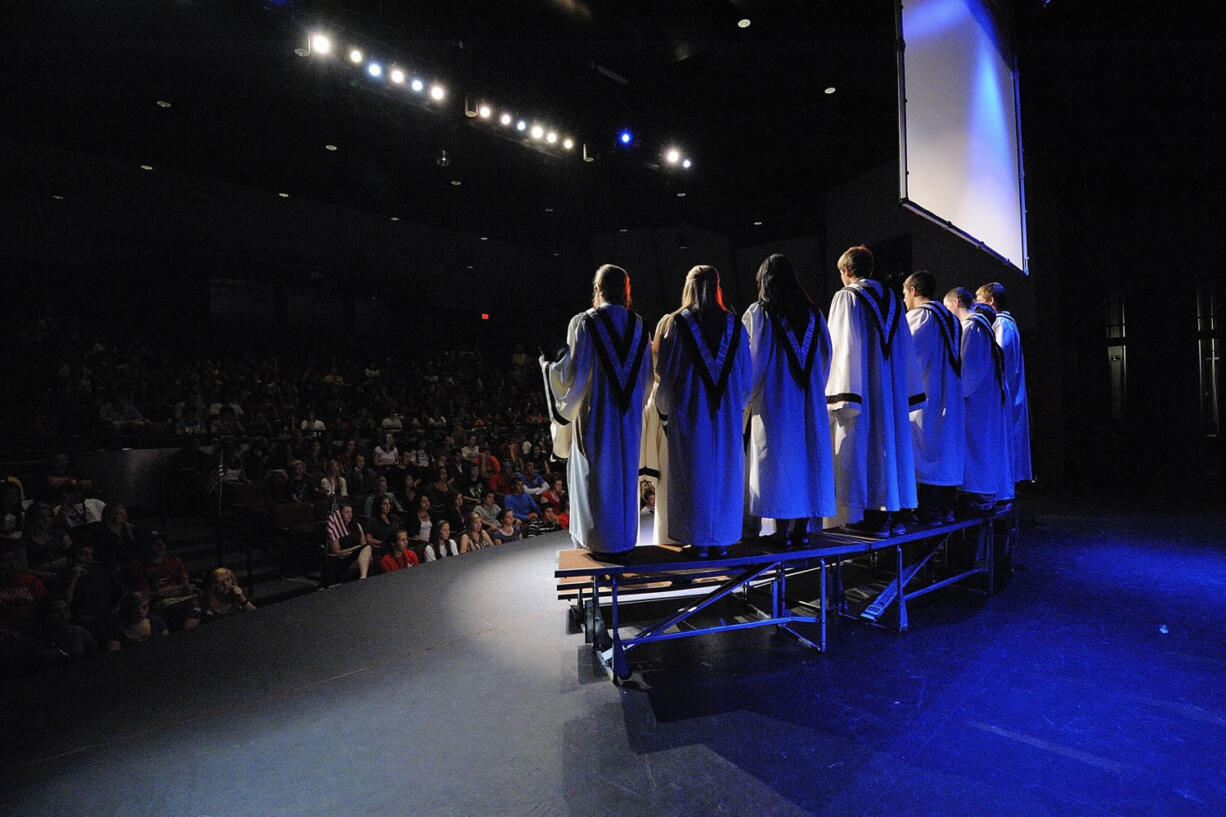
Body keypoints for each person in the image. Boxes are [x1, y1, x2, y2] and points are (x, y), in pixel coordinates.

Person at [541, 264, 652, 560]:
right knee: (624, 478)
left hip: (596, 418)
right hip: (628, 419)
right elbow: (646, 378)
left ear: (598, 288)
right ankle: (624, 541)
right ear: (626, 291)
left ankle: (598, 544)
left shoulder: (585, 323)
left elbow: (575, 379)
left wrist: (549, 369)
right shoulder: (640, 325)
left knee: (597, 479)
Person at [649, 264, 752, 556]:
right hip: (727, 417)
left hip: (690, 416)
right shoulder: (735, 325)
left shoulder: (674, 324)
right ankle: (721, 539)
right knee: (724, 477)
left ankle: (698, 541)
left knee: (693, 476)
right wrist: (734, 409)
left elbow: (664, 376)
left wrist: (666, 413)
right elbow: (746, 380)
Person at [826, 246, 924, 535]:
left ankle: (873, 519)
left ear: (846, 271)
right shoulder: (894, 300)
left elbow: (841, 347)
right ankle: (890, 516)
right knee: (889, 450)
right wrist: (907, 391)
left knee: (864, 450)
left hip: (862, 391)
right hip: (891, 391)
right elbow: (906, 349)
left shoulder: (847, 297)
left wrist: (839, 395)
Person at [743, 254, 836, 546]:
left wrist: (746, 396)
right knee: (806, 460)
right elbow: (825, 357)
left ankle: (780, 532)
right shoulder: (813, 314)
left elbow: (752, 362)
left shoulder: (760, 314)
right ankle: (801, 530)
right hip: (807, 402)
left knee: (780, 462)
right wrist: (813, 388)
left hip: (775, 402)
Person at [903, 271, 965, 525]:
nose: (904, 299)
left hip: (927, 398)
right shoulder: (950, 318)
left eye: (905, 293)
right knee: (942, 454)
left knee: (925, 454)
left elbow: (908, 358)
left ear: (914, 291)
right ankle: (941, 511)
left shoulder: (921, 316)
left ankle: (926, 515)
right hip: (948, 396)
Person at [944, 288, 1012, 514]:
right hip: (984, 404)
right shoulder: (983, 328)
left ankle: (976, 499)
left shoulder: (972, 328)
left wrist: (947, 393)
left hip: (976, 407)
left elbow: (967, 377)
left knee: (976, 451)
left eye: (947, 308)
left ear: (956, 303)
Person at [975, 282, 1033, 486]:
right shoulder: (1007, 324)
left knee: (1006, 444)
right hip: (1008, 392)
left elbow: (998, 354)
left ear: (990, 300)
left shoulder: (1001, 324)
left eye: (979, 299)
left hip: (1006, 394)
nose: (975, 304)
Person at [326, 500, 373, 580]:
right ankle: (363, 577)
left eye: (351, 512)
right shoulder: (335, 528)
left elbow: (363, 544)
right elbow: (336, 551)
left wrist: (358, 549)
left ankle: (363, 576)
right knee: (367, 553)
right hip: (343, 558)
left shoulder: (357, 525)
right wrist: (355, 549)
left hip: (357, 554)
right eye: (346, 512)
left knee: (367, 550)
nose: (349, 514)